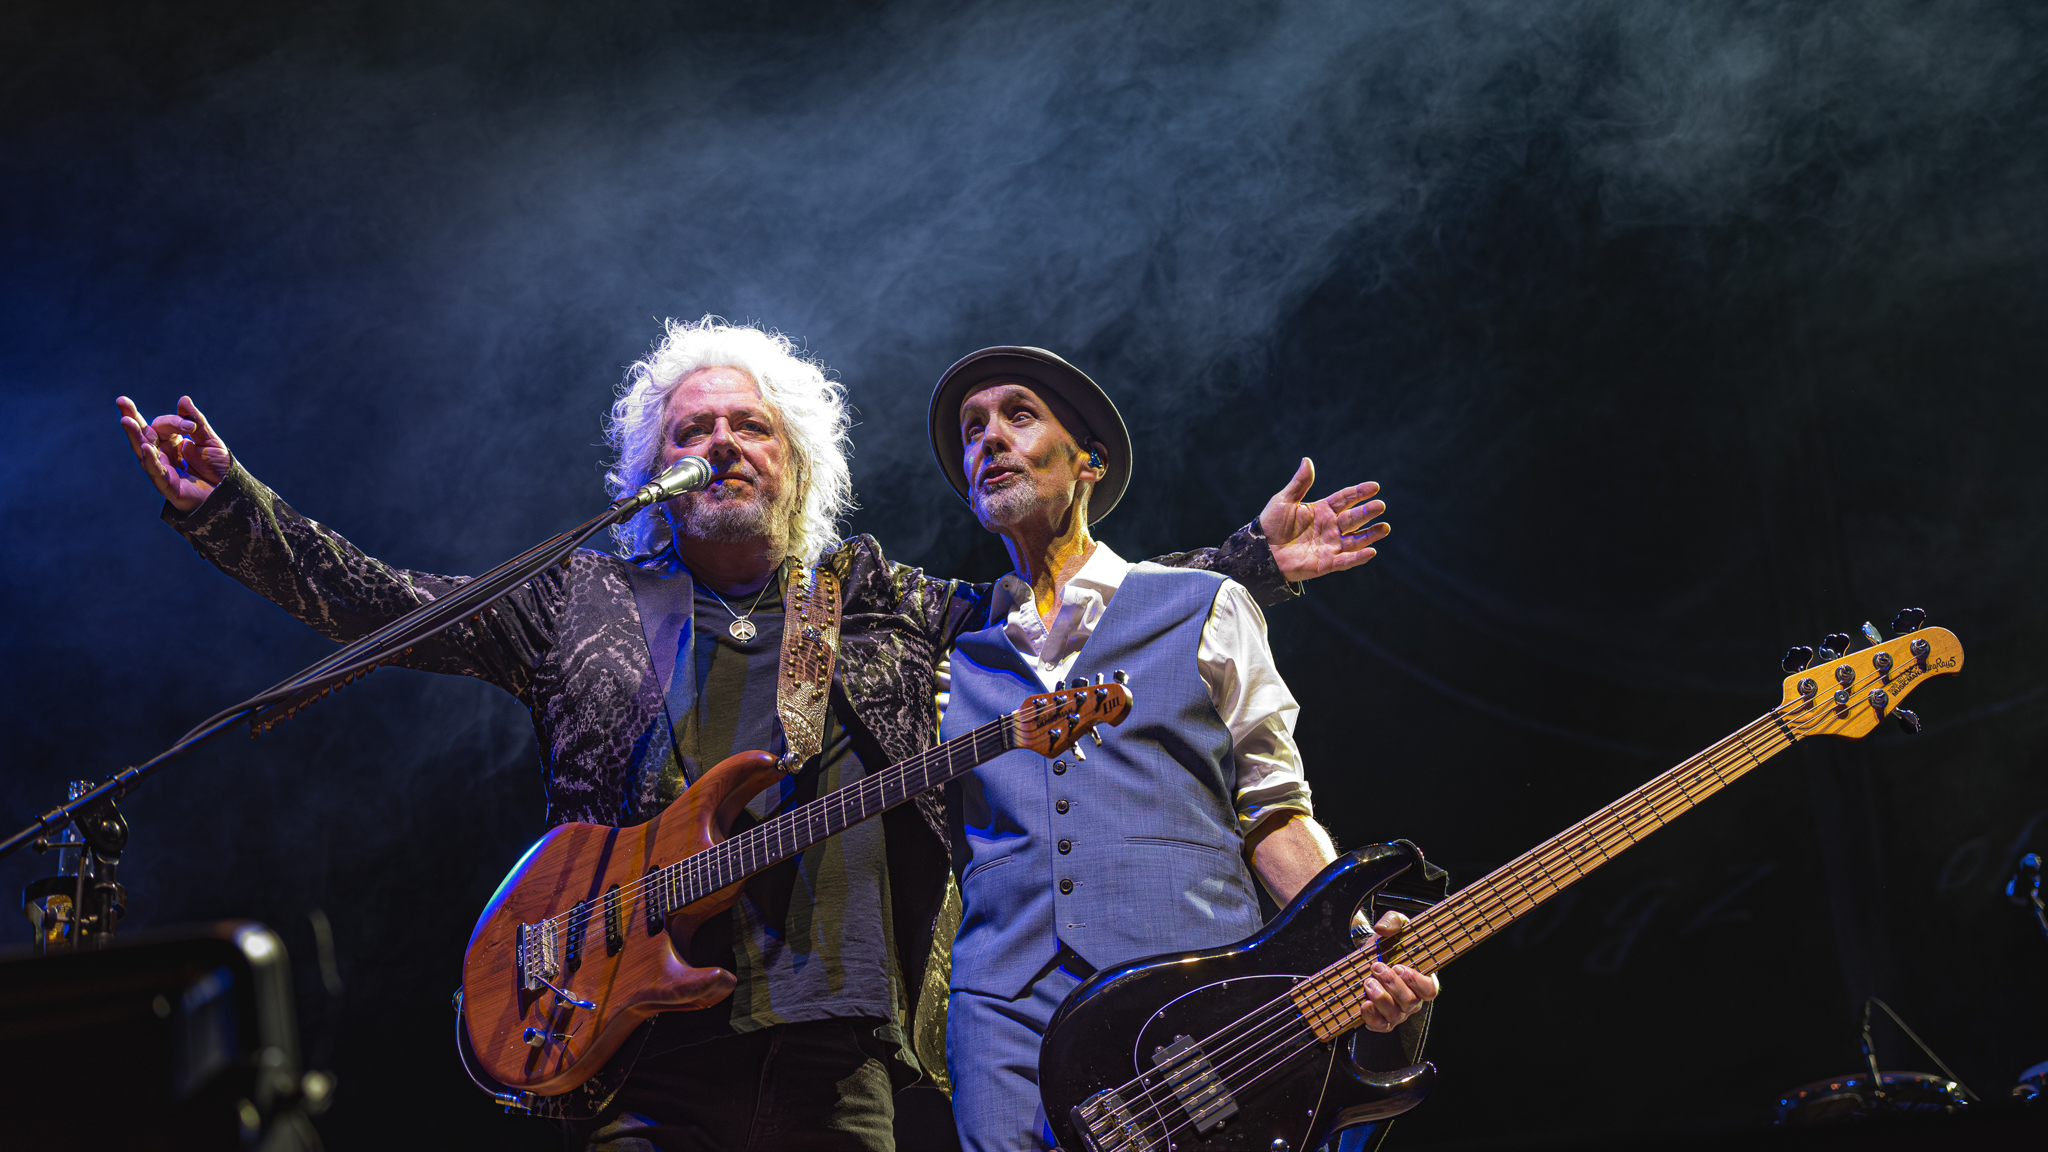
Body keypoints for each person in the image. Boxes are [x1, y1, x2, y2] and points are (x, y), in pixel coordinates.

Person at [114, 318, 1389, 1152]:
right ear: (649, 467)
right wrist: (233, 510)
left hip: (838, 1042)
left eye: (748, 427)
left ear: (796, 465)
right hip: (635, 1043)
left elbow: (1060, 615)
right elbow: (388, 605)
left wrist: (1244, 562)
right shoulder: (581, 599)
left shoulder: (876, 600)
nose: (719, 444)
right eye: (690, 430)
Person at [927, 347, 1439, 1152]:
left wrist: (1349, 947)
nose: (988, 438)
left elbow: (1275, 811)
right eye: (971, 429)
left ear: (1090, 461)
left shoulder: (1205, 606)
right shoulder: (947, 660)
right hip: (1003, 1016)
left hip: (1193, 995)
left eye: (1018, 415)